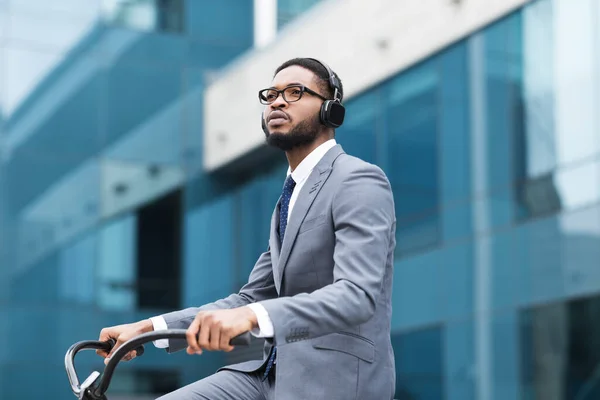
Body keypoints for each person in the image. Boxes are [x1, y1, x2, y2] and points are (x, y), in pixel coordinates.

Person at [96, 57, 397, 400]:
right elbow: (248, 298)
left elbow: (356, 295)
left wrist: (252, 318)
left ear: (331, 111)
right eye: (271, 95)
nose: (278, 101)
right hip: (261, 374)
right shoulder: (290, 197)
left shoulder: (357, 179)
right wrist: (148, 329)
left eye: (295, 92)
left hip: (331, 380)